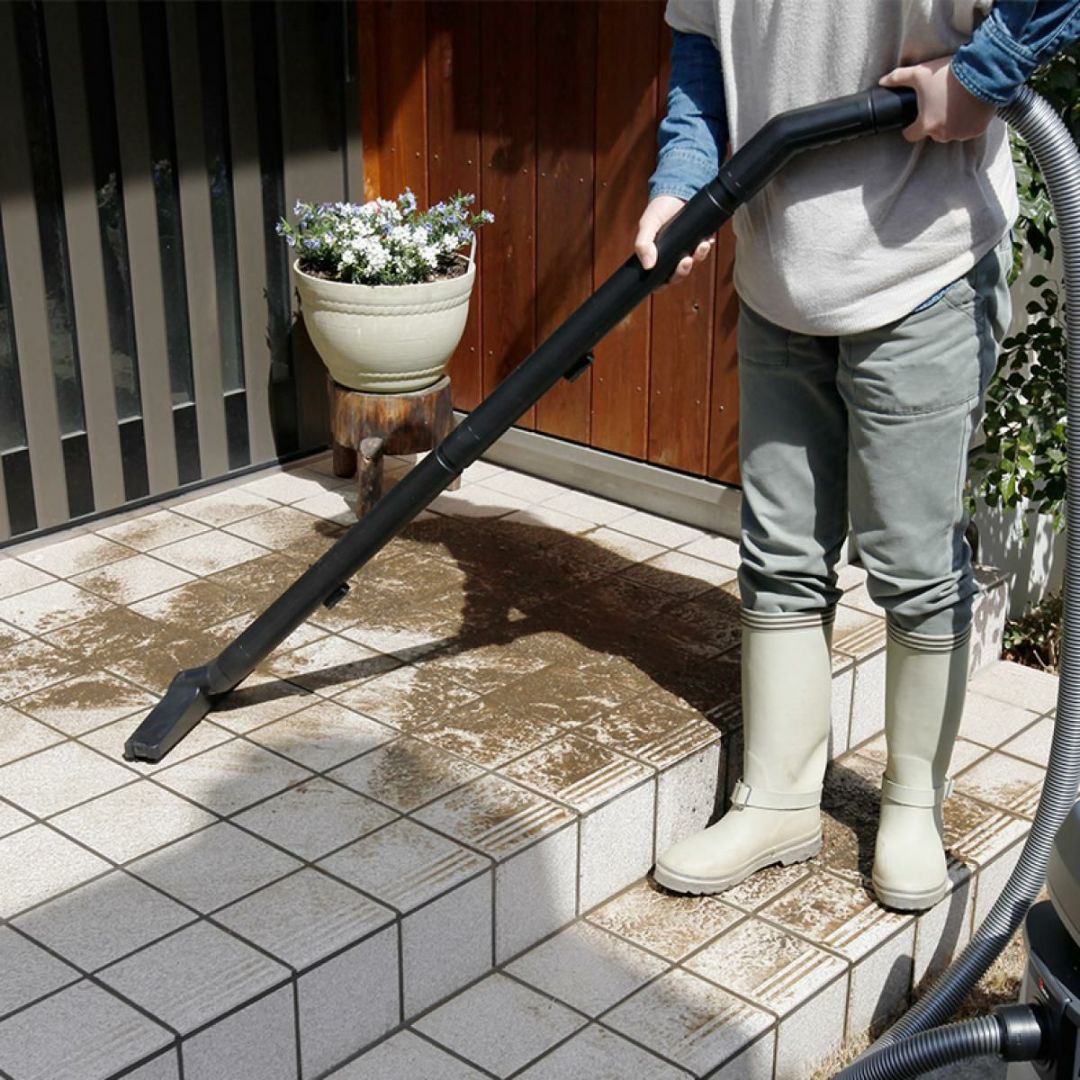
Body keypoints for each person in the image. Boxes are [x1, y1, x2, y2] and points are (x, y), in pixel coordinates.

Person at [636, 0, 1080, 911]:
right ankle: (778, 800)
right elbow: (701, 48)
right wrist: (682, 177)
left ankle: (913, 805)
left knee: (912, 563)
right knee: (779, 552)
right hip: (779, 272)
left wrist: (986, 73)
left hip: (921, 265)